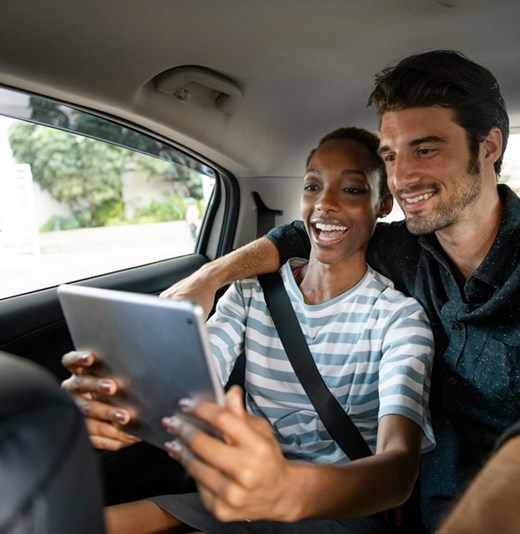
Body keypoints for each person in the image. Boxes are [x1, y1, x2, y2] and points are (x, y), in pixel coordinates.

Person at [161, 50, 520, 533]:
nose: (401, 178)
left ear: (488, 146)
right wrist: (204, 280)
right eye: (392, 156)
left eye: (426, 150)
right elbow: (294, 236)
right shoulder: (401, 248)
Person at [62, 126, 435, 533]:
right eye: (312, 186)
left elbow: (399, 471)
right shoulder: (249, 294)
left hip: (338, 510)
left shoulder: (399, 319)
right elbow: (188, 380)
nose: (324, 203)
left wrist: (285, 488)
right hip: (239, 496)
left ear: (382, 205)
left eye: (352, 190)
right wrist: (119, 401)